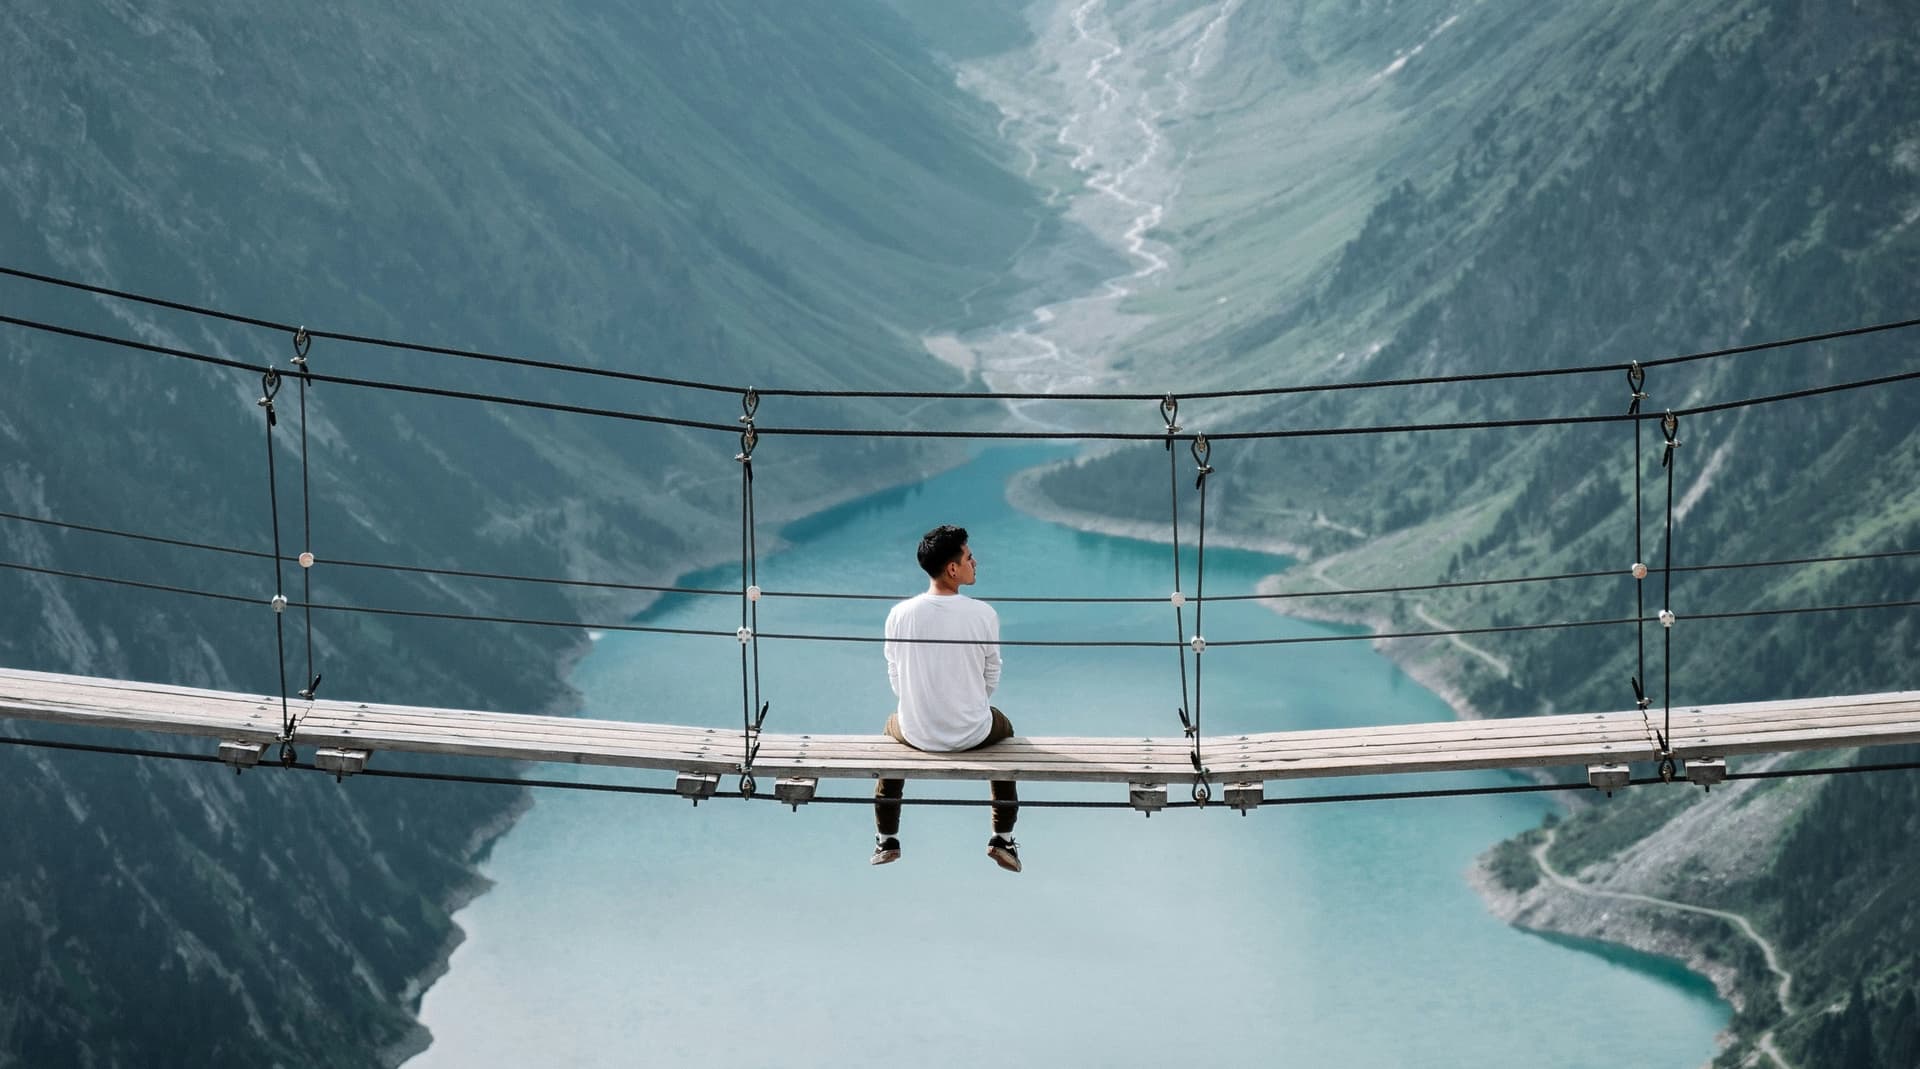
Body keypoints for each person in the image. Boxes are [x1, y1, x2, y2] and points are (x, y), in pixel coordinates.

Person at [872, 524, 1021, 872]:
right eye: (969, 557)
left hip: (916, 734)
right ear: (953, 568)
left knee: (889, 732)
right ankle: (1003, 837)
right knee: (1006, 731)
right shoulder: (983, 614)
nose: (975, 562)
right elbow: (992, 674)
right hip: (973, 733)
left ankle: (886, 839)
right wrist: (968, 704)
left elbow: (895, 676)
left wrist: (923, 704)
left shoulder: (899, 614)